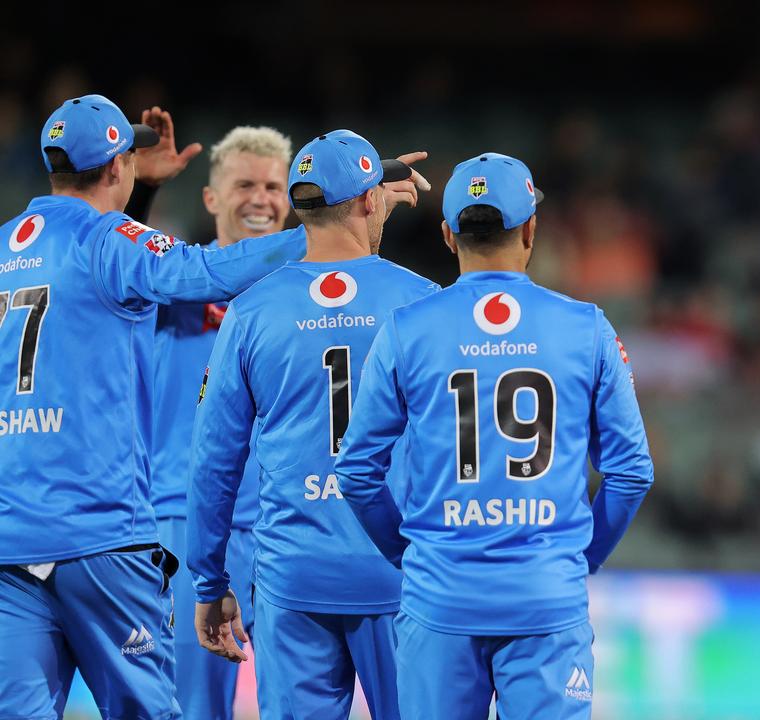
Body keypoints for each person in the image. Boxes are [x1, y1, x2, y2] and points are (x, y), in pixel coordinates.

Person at [0, 94, 306, 719]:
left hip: (12, 539)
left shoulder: (7, 245)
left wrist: (135, 204)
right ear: (119, 167)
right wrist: (327, 230)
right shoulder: (110, 243)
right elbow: (200, 273)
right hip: (105, 532)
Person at [335, 152, 655, 719]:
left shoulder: (406, 329)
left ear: (447, 235)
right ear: (531, 228)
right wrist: (580, 560)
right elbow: (631, 473)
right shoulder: (586, 327)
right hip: (545, 599)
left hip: (439, 599)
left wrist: (410, 556)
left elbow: (357, 472)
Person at [185, 129, 436, 720]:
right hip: (401, 575)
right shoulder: (424, 303)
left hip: (292, 579)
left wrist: (208, 579)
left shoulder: (249, 310)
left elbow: (214, 460)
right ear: (373, 201)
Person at [144, 125, 293, 718]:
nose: (260, 198)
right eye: (244, 185)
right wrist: (140, 197)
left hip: (288, 525)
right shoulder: (172, 288)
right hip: (184, 524)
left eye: (273, 186)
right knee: (192, 707)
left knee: (301, 703)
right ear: (211, 198)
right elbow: (124, 253)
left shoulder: (313, 297)